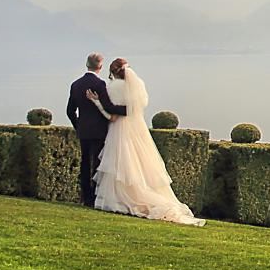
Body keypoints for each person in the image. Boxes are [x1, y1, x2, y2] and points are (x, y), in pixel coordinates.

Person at [85, 57, 204, 226]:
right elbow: (134, 108)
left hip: (119, 129)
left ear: (112, 72)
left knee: (120, 162)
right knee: (138, 161)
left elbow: (111, 115)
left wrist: (96, 101)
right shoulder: (138, 85)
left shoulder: (114, 87)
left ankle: (119, 199)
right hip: (137, 128)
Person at [67, 53, 127, 208]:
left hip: (84, 131)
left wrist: (78, 125)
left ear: (87, 64)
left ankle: (86, 198)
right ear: (100, 66)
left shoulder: (75, 85)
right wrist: (130, 110)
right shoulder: (100, 85)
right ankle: (96, 197)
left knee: (85, 163)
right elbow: (108, 107)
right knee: (99, 164)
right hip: (100, 130)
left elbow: (70, 111)